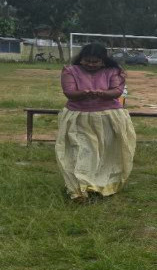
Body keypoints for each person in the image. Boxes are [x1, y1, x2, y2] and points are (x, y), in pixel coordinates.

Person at [55, 43, 137, 202]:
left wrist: (102, 93)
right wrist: (83, 93)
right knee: (79, 152)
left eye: (95, 62)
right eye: (87, 61)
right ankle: (78, 189)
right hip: (79, 118)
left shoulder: (113, 71)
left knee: (107, 154)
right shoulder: (70, 71)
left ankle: (101, 185)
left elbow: (117, 91)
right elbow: (69, 92)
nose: (91, 65)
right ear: (81, 59)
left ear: (103, 61)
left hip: (108, 117)